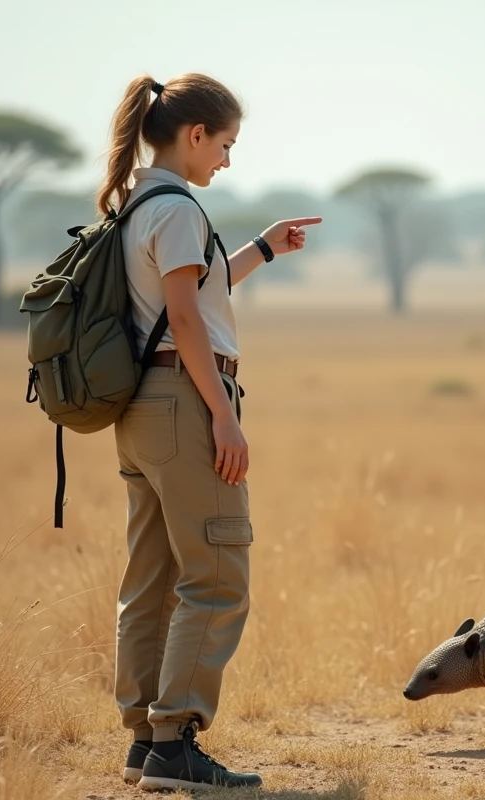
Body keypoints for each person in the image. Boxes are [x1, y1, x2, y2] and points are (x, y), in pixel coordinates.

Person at [96, 72, 321, 791]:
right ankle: (176, 743)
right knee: (217, 575)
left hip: (140, 409)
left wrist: (262, 247)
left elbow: (188, 298)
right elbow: (187, 323)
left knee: (152, 578)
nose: (226, 160)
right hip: (185, 399)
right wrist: (223, 414)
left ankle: (144, 742)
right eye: (225, 144)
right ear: (195, 135)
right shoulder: (180, 209)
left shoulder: (137, 203)